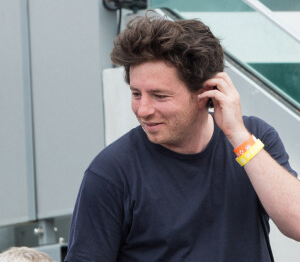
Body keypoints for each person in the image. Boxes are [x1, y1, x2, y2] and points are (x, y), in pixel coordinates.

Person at [65, 13, 300, 261]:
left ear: (207, 93)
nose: (143, 110)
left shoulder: (254, 139)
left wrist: (238, 135)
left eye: (159, 96)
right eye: (136, 93)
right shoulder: (111, 172)